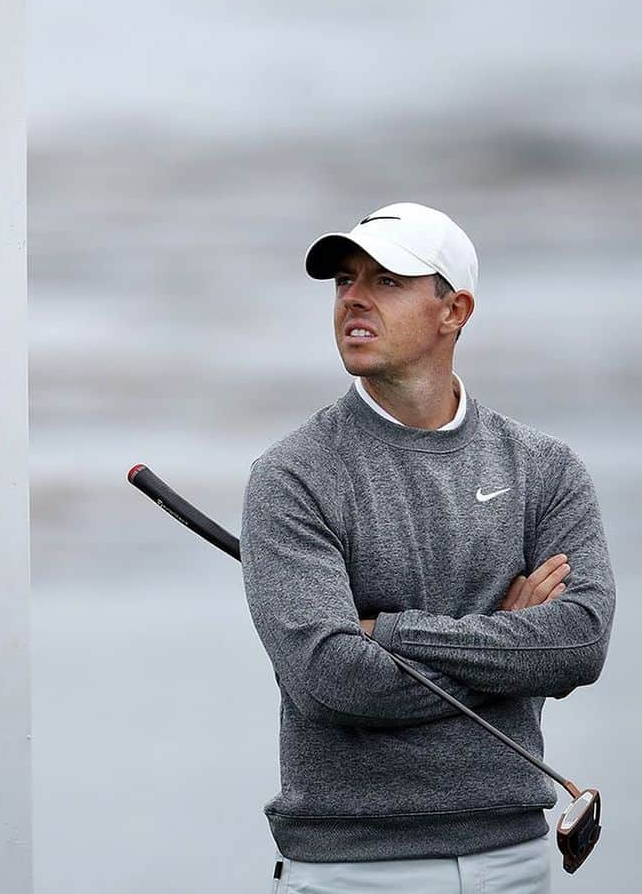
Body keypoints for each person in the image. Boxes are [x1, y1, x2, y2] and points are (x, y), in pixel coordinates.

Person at [240, 201, 616, 893]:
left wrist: (387, 631)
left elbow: (579, 642)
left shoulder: (544, 468)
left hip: (513, 860)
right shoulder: (292, 475)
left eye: (386, 281)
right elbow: (331, 679)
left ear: (454, 310)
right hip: (349, 872)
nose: (353, 298)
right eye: (344, 280)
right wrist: (510, 640)